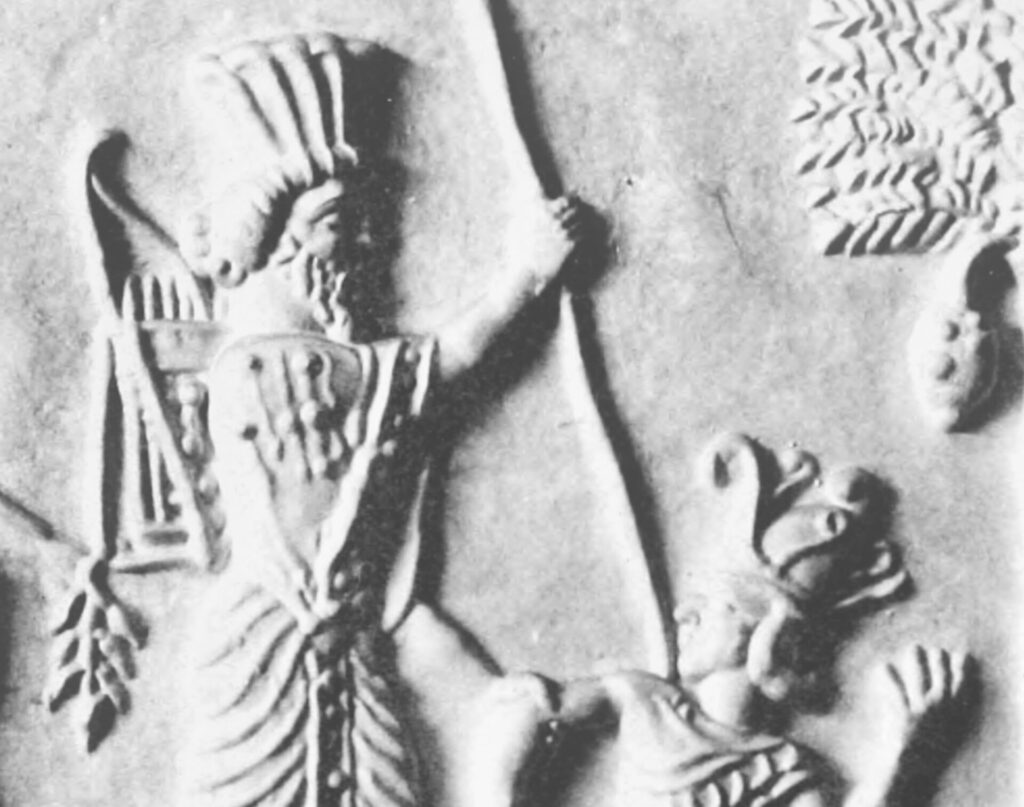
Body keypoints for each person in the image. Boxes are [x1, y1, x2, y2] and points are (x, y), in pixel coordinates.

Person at [177, 35, 589, 807]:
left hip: (348, 646)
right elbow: (429, 367)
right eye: (341, 222)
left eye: (371, 220)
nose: (371, 243)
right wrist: (526, 275)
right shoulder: (262, 367)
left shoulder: (336, 362)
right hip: (276, 651)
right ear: (277, 240)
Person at [458, 434, 972, 807]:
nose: (683, 615)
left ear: (767, 634)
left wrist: (907, 748)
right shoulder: (642, 701)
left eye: (711, 607)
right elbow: (534, 708)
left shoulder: (784, 772)